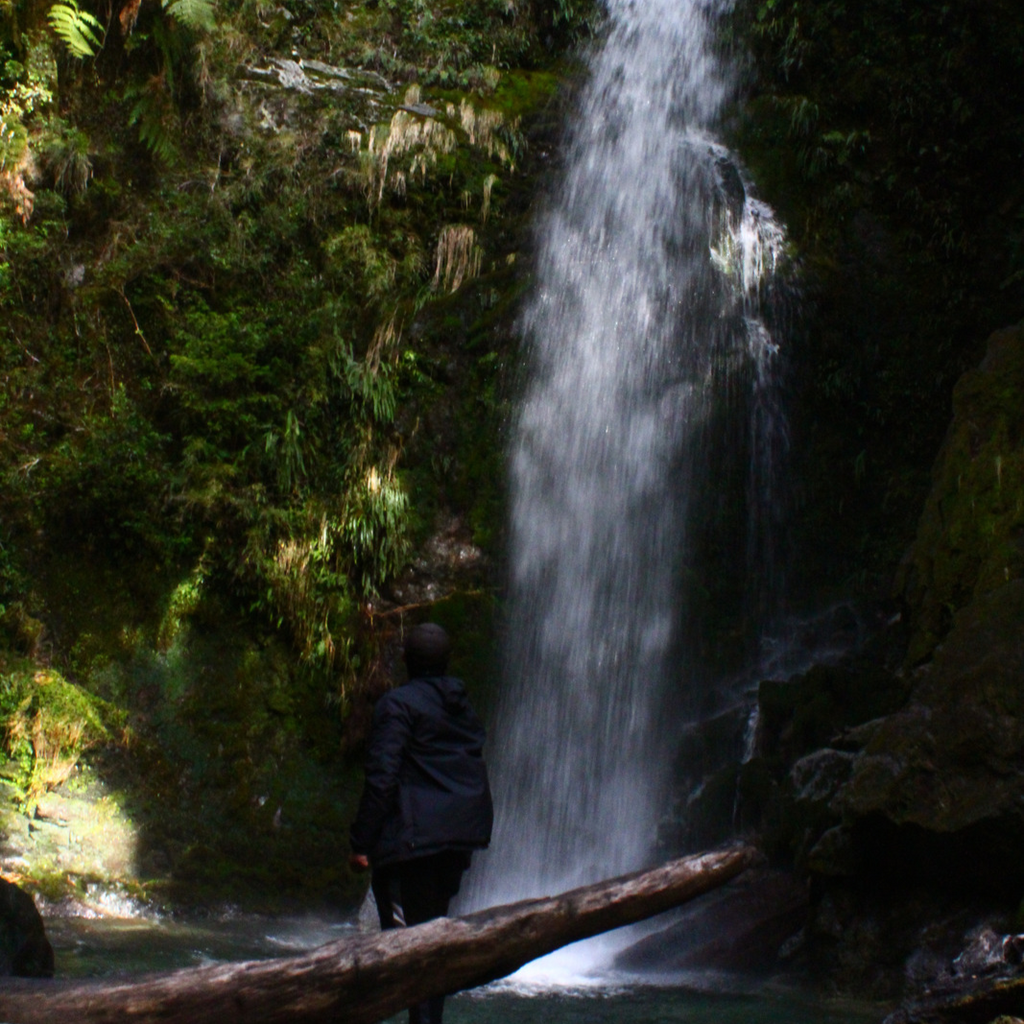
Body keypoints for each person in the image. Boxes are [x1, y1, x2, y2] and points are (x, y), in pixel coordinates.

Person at [349, 622, 493, 1024]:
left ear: (406, 660)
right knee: (432, 945)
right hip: (456, 839)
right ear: (446, 662)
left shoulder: (397, 706)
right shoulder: (462, 708)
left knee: (410, 949)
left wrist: (361, 842)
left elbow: (382, 777)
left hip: (412, 845)